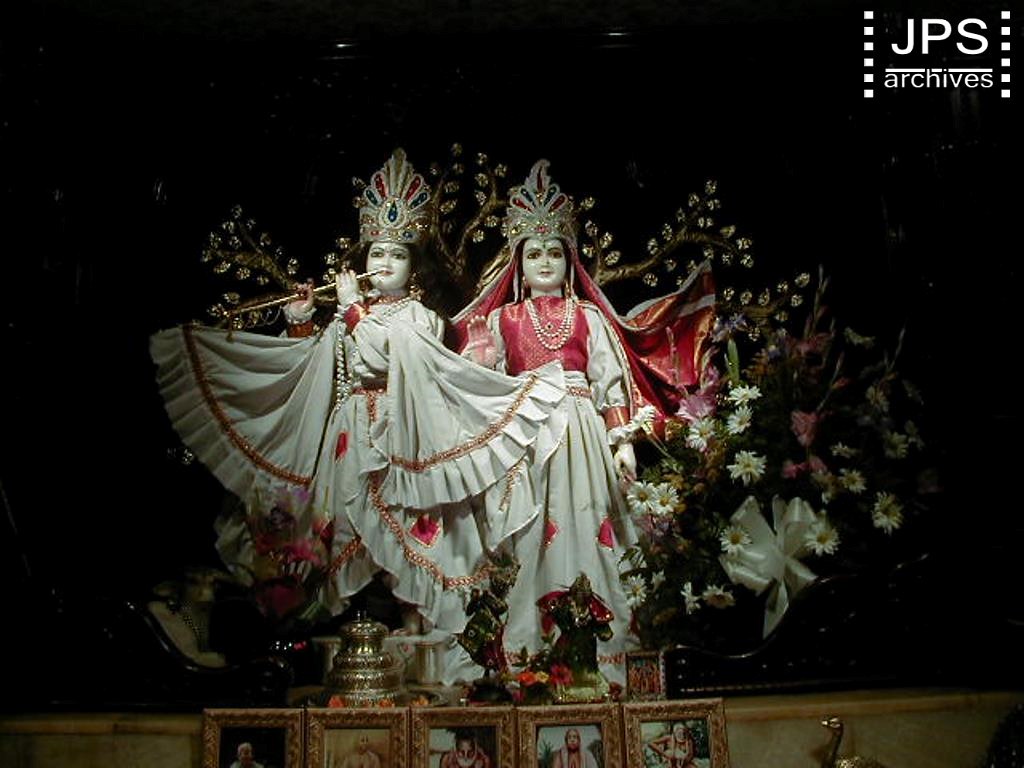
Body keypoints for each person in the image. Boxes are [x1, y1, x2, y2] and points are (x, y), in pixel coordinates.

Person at [151, 149, 562, 640]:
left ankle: (415, 617)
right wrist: (302, 323)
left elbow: (387, 357)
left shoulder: (420, 317)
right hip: (350, 435)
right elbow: (323, 368)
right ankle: (347, 623)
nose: (385, 263)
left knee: (409, 524)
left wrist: (352, 311)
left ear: (414, 266)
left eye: (397, 255)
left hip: (402, 432)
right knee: (345, 524)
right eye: (377, 254)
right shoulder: (351, 313)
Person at [454, 160, 715, 686]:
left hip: (580, 429)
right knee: (530, 528)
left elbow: (608, 380)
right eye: (534, 253)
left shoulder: (588, 317)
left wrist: (621, 441)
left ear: (570, 261)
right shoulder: (504, 319)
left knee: (589, 517)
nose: (544, 262)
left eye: (554, 252)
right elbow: (488, 382)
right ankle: (529, 648)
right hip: (527, 433)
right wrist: (480, 360)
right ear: (518, 263)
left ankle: (603, 648)